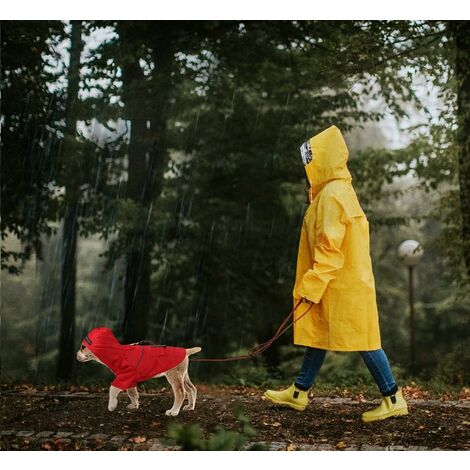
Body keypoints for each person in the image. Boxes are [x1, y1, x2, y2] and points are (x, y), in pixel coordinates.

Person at [264, 125, 408, 422]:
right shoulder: (337, 191)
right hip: (342, 282)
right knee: (320, 335)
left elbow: (330, 246)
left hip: (340, 283)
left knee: (365, 340)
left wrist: (312, 284)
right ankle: (299, 392)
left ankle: (392, 397)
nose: (308, 167)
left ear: (325, 159)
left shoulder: (332, 196)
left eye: (312, 160)